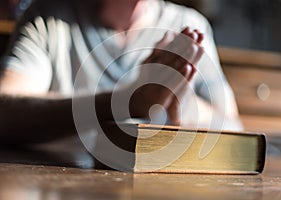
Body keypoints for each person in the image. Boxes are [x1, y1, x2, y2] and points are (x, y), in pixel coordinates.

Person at [0, 0, 242, 145]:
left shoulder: (188, 24)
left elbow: (234, 126)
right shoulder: (49, 18)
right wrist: (127, 101)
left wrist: (178, 101)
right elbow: (5, 112)